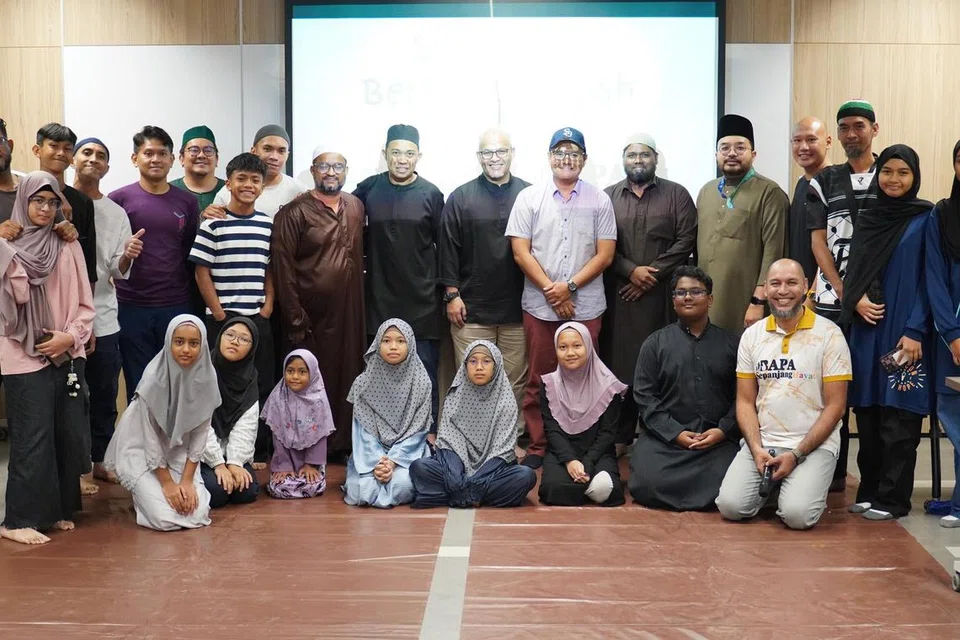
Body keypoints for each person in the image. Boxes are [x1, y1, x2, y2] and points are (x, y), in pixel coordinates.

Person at [505, 127, 617, 469]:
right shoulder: (529, 198)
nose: (566, 160)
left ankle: (584, 445)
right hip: (540, 305)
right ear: (549, 157)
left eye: (574, 154)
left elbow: (605, 255)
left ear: (583, 160)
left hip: (586, 306)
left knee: (587, 377)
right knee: (540, 377)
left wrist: (568, 287)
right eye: (560, 153)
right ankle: (540, 446)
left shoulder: (599, 199)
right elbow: (521, 253)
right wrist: (553, 291)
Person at [716, 259, 851, 530]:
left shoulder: (829, 335)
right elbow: (744, 401)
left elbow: (836, 407)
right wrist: (755, 449)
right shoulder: (752, 336)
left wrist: (798, 453)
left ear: (804, 287)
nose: (782, 290)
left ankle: (799, 485)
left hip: (813, 446)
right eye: (775, 283)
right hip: (764, 444)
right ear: (765, 290)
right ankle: (782, 485)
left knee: (797, 517)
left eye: (791, 283)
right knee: (731, 507)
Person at [0, 172, 95, 545]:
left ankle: (54, 510)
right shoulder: (6, 244)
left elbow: (86, 303)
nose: (45, 209)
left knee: (64, 432)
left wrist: (69, 336)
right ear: (23, 201)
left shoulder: (67, 245)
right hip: (21, 353)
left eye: (52, 202)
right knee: (31, 436)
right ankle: (18, 519)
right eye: (38, 201)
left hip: (65, 349)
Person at [842, 145, 933, 520]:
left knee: (900, 416)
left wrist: (915, 329)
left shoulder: (926, 218)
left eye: (903, 172)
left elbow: (932, 280)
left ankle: (893, 499)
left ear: (915, 177)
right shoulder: (868, 216)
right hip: (867, 330)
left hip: (903, 335)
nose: (893, 179)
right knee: (869, 411)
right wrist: (856, 298)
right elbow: (854, 269)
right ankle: (869, 489)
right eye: (887, 171)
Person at [602, 133, 697, 451]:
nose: (638, 160)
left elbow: (686, 241)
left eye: (644, 155)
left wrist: (649, 275)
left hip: (663, 301)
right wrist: (630, 270)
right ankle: (620, 437)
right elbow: (598, 244)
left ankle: (662, 434)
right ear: (623, 160)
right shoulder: (608, 197)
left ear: (656, 158)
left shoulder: (677, 195)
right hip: (620, 298)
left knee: (664, 364)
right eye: (631, 155)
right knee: (621, 366)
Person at [439, 128, 530, 457]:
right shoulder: (460, 197)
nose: (495, 159)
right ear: (479, 158)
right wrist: (452, 294)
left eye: (501, 152)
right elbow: (447, 248)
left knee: (514, 379)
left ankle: (510, 441)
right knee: (472, 379)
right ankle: (470, 442)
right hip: (470, 308)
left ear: (512, 153)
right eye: (488, 153)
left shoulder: (529, 194)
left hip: (518, 308)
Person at [272, 146, 365, 457]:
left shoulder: (355, 206)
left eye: (338, 166)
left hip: (349, 313)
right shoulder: (294, 212)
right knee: (311, 379)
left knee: (347, 375)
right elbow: (282, 267)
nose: (331, 172)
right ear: (312, 171)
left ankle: (341, 444)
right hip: (310, 317)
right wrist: (295, 317)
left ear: (346, 171)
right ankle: (309, 445)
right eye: (323, 166)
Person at [353, 124, 445, 424]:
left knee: (425, 372)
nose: (402, 159)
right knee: (379, 373)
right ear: (385, 154)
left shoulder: (432, 194)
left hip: (422, 300)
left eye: (408, 153)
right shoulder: (368, 189)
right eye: (395, 152)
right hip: (379, 296)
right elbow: (336, 213)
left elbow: (444, 247)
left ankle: (425, 432)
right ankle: (378, 434)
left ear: (418, 156)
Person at [628, 266, 740, 511]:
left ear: (710, 299)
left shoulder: (732, 344)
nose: (687, 297)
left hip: (716, 444)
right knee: (647, 482)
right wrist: (675, 434)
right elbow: (644, 396)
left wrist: (722, 431)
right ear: (673, 300)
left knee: (733, 480)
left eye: (696, 291)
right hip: (666, 443)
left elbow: (742, 398)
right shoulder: (655, 343)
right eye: (681, 293)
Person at [189, 152, 275, 464]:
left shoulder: (267, 225)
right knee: (216, 384)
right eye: (241, 179)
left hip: (256, 318)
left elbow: (269, 269)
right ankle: (214, 451)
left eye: (255, 180)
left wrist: (267, 308)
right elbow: (202, 271)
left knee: (260, 381)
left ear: (263, 187)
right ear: (229, 183)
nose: (248, 185)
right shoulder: (214, 224)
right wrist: (220, 313)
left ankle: (255, 452)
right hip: (221, 320)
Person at [103, 315, 219, 531]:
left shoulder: (207, 378)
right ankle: (142, 498)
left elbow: (201, 433)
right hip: (142, 452)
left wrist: (186, 481)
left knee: (198, 513)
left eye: (194, 343)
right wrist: (166, 483)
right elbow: (149, 438)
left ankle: (160, 494)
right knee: (164, 518)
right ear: (168, 342)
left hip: (178, 452)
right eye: (179, 342)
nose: (186, 349)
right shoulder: (153, 379)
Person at [72, 138, 143, 490]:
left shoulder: (116, 212)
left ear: (108, 168)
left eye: (101, 156)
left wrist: (128, 255)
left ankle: (99, 459)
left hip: (104, 315)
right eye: (87, 152)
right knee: (72, 396)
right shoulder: (55, 201)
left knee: (102, 393)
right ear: (73, 159)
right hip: (64, 319)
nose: (93, 159)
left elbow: (117, 270)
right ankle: (76, 466)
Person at [109, 126, 200, 399]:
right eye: (148, 153)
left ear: (173, 159)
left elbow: (189, 253)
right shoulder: (118, 199)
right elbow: (111, 257)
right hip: (130, 306)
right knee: (139, 383)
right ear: (135, 158)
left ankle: (173, 442)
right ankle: (141, 442)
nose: (155, 159)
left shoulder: (187, 201)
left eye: (163, 153)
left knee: (177, 382)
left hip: (175, 303)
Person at [410, 340, 537, 508]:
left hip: (492, 472)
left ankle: (457, 495)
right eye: (473, 361)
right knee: (419, 467)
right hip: (456, 470)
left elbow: (503, 450)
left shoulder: (506, 402)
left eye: (486, 361)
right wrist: (456, 479)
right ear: (465, 366)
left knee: (525, 476)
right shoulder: (455, 397)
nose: (479, 367)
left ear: (496, 366)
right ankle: (473, 495)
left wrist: (476, 482)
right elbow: (450, 443)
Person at [696, 114, 788, 334]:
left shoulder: (769, 192)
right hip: (707, 302)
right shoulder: (706, 191)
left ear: (753, 154)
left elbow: (774, 252)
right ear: (716, 154)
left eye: (740, 147)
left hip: (746, 304)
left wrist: (758, 301)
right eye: (725, 148)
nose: (732, 154)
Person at [344, 319, 432, 508]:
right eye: (386, 341)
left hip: (408, 455)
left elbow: (419, 431)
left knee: (402, 485)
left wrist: (393, 461)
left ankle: (386, 486)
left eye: (400, 341)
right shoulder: (363, 384)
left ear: (410, 344)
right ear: (377, 344)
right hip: (368, 455)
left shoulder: (422, 383)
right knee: (362, 489)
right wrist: (378, 463)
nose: (393, 347)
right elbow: (362, 432)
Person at [538, 323, 627, 507]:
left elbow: (607, 434)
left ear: (588, 346)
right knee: (551, 488)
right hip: (562, 452)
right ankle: (588, 489)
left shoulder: (609, 386)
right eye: (563, 347)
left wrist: (586, 463)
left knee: (609, 489)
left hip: (598, 452)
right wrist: (570, 461)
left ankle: (579, 488)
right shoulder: (549, 384)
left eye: (577, 346)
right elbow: (551, 430)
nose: (570, 353)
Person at [808, 100, 880, 321]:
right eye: (844, 127)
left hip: (877, 298)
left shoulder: (888, 178)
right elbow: (818, 242)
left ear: (874, 129)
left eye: (859, 126)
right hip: (833, 298)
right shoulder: (824, 181)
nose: (851, 134)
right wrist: (845, 292)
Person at [925, 139, 960, 527]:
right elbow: (934, 278)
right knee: (953, 416)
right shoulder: (943, 214)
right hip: (951, 336)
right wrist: (952, 333)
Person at [200, 318, 261, 508]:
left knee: (246, 490)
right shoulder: (202, 372)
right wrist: (218, 463)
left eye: (244, 339)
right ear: (219, 337)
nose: (235, 341)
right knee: (217, 492)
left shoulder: (250, 378)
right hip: (201, 452)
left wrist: (234, 462)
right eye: (230, 335)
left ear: (252, 348)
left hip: (233, 451)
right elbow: (199, 425)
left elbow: (247, 425)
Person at [31, 123, 98, 285]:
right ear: (37, 150)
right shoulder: (22, 194)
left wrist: (87, 305)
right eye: (54, 146)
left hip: (68, 288)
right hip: (29, 286)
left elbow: (88, 259)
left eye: (67, 149)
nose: (61, 153)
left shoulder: (83, 202)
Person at [262, 350, 334, 499]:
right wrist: (284, 466)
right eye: (290, 371)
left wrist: (311, 464)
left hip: (309, 463)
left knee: (314, 485)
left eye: (302, 372)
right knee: (279, 486)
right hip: (285, 460)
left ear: (312, 373)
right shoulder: (278, 397)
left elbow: (320, 435)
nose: (295, 377)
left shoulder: (319, 400)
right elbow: (278, 434)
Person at [209, 125, 303, 218]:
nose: (274, 157)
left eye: (281, 151)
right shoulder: (229, 191)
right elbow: (213, 225)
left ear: (288, 155)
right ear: (253, 151)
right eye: (267, 149)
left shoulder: (298, 190)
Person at [789, 117, 831, 284]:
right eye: (797, 140)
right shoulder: (801, 183)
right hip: (799, 291)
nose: (803, 147)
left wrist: (813, 295)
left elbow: (833, 249)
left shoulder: (834, 183)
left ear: (828, 142)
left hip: (822, 295)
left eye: (811, 139)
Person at [170, 125, 225, 211]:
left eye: (208, 150)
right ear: (181, 158)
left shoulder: (229, 191)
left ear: (217, 159)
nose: (201, 155)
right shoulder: (169, 191)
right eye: (194, 150)